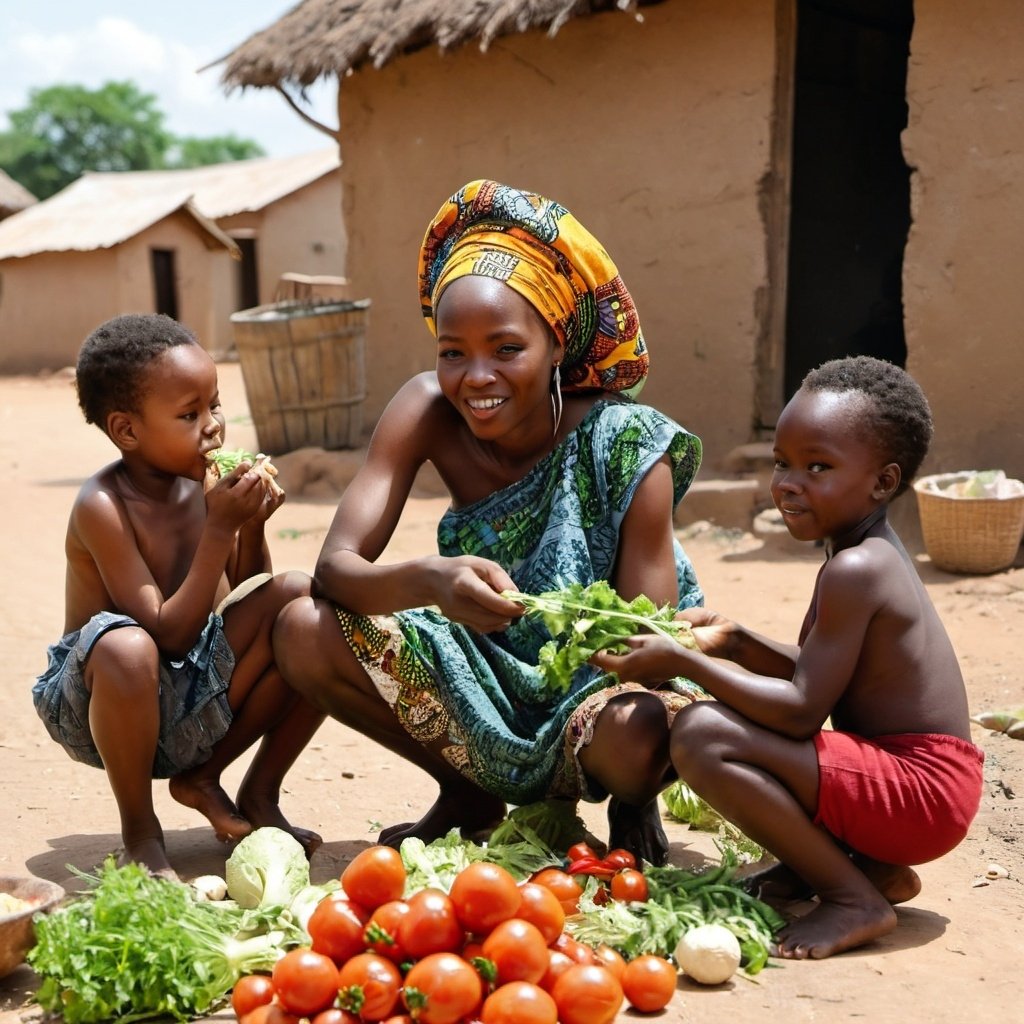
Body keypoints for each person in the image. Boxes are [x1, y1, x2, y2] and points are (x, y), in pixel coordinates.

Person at [274, 179, 705, 863]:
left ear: (557, 346)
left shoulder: (629, 444)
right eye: (453, 352)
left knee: (641, 727)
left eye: (506, 349)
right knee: (301, 628)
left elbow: (647, 639)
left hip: (604, 681)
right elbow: (336, 570)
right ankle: (466, 793)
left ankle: (629, 803)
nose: (476, 376)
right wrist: (432, 580)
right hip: (483, 661)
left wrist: (634, 792)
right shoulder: (424, 411)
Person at [592, 355, 984, 958]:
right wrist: (737, 641)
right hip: (918, 783)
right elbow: (818, 674)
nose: (787, 483)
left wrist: (686, 661)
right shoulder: (862, 551)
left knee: (702, 735)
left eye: (818, 467)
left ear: (882, 482)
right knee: (733, 726)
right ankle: (873, 872)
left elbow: (802, 711)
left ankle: (852, 898)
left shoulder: (855, 568)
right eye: (783, 462)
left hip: (921, 793)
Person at [32, 314, 325, 878]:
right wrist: (219, 529)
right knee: (125, 645)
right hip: (105, 700)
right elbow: (164, 633)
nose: (212, 427)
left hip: (192, 691)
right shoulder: (104, 505)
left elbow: (245, 599)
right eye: (189, 415)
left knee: (303, 604)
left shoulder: (204, 486)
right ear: (127, 431)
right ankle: (141, 832)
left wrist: (251, 526)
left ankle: (248, 791)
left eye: (215, 406)